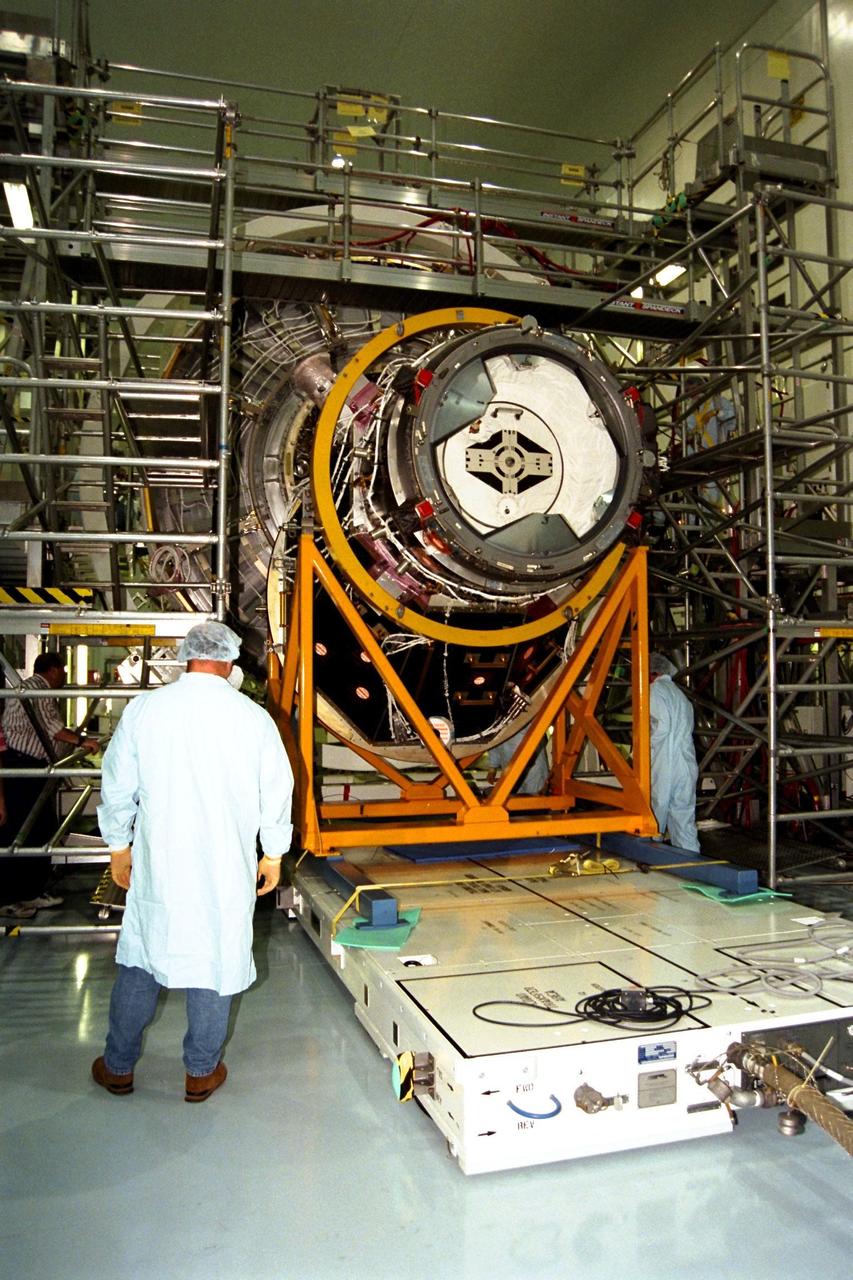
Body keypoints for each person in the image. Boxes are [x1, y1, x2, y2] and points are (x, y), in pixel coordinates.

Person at [92, 621, 294, 1103]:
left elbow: (117, 784)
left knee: (141, 958)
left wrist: (119, 847)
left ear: (187, 656)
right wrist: (273, 853)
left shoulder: (145, 711)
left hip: (158, 866)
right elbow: (277, 790)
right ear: (231, 661)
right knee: (216, 958)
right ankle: (200, 1073)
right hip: (224, 868)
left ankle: (118, 1067)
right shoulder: (252, 718)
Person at [0, 652, 99, 920]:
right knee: (23, 831)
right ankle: (10, 897)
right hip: (24, 769)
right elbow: (53, 727)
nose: (66, 676)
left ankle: (31, 891)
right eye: (64, 670)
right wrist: (82, 742)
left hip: (32, 768)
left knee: (41, 830)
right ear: (54, 670)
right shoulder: (36, 690)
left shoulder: (33, 688)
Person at [649, 653, 700, 853]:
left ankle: (650, 865)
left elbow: (661, 728)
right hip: (686, 764)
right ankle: (694, 867)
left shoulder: (654, 691)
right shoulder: (680, 696)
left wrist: (642, 749)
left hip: (665, 763)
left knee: (654, 820)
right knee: (684, 820)